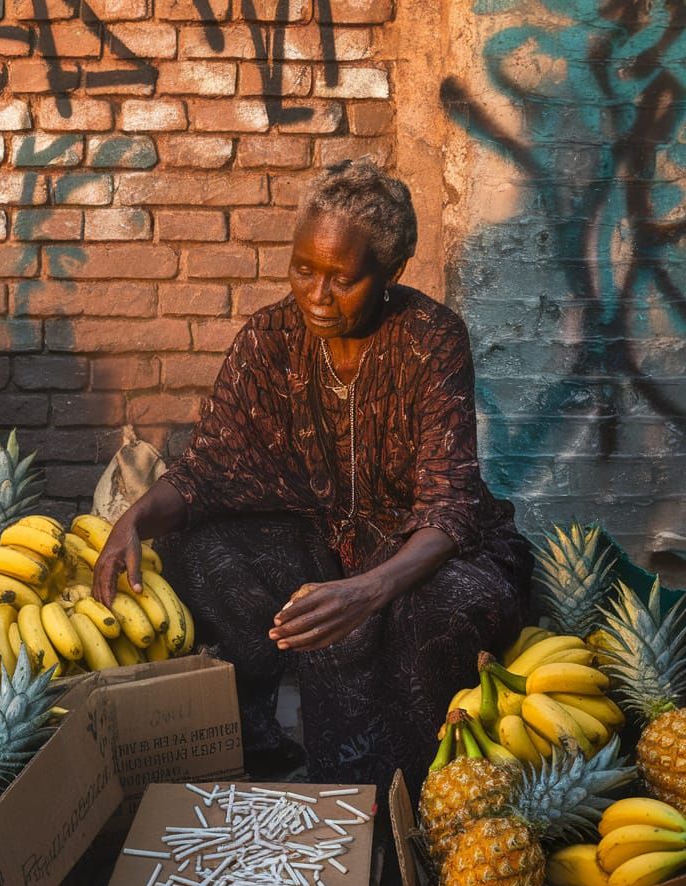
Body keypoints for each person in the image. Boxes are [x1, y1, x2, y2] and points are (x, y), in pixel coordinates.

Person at [92, 160, 534, 797]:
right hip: (320, 541)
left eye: (343, 278)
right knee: (199, 548)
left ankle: (411, 793)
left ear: (391, 273)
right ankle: (253, 745)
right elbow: (210, 466)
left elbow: (448, 508)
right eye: (304, 268)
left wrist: (369, 589)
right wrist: (134, 518)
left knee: (442, 605)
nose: (317, 296)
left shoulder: (431, 338)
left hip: (412, 552)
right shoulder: (268, 338)